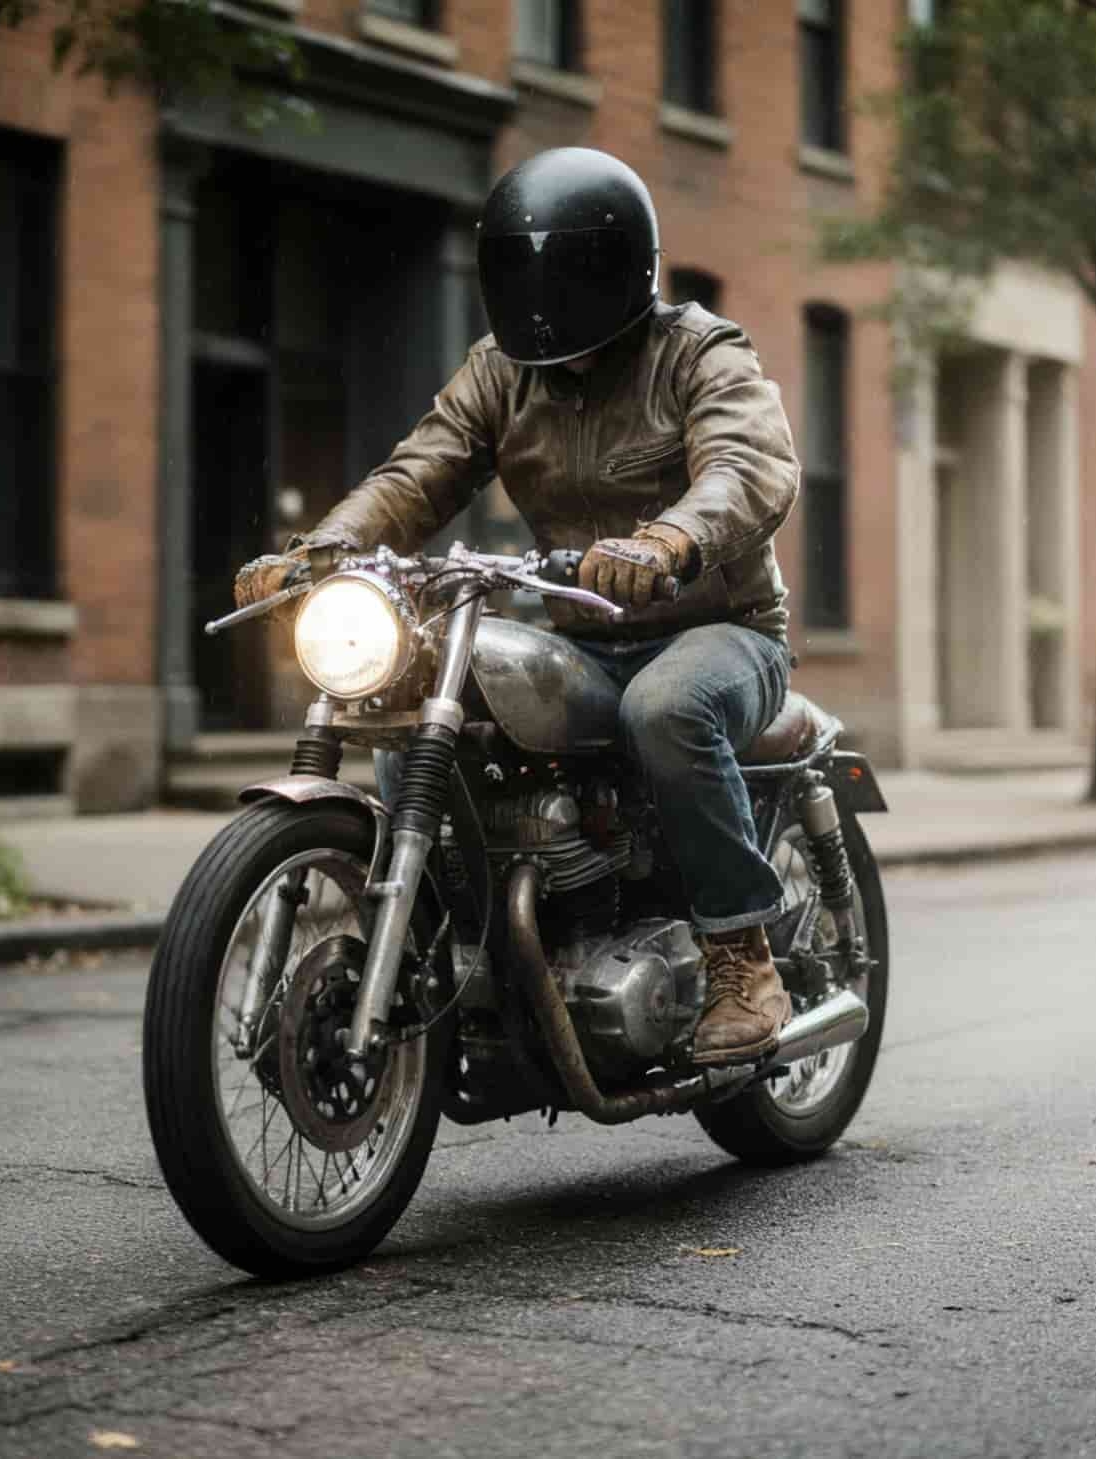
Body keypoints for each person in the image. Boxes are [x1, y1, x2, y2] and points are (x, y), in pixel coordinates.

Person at [234, 147, 801, 1067]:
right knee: (421, 701)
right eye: (524, 267)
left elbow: (749, 466)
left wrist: (669, 541)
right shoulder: (501, 372)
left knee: (665, 708)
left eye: (569, 267)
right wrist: (322, 552)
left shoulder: (698, 353)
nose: (545, 290)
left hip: (718, 630)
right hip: (582, 635)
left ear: (623, 265)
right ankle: (452, 942)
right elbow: (421, 469)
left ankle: (742, 952)